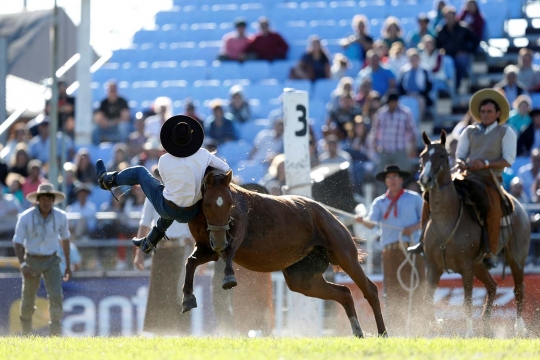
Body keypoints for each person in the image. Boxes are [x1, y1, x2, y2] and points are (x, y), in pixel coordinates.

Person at [409, 89, 517, 270]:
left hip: (490, 179)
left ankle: (489, 251)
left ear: (498, 113)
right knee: (430, 196)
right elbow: (460, 155)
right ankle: (422, 240)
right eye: (483, 111)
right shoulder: (469, 131)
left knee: (493, 207)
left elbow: (508, 159)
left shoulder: (505, 132)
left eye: (489, 111)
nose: (485, 115)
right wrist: (462, 163)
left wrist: (484, 163)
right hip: (466, 175)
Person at [95, 115, 231, 255]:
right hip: (191, 212)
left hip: (168, 209)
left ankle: (107, 180)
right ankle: (150, 240)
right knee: (175, 198)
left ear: (172, 139)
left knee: (140, 172)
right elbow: (226, 169)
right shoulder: (204, 154)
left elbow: (169, 186)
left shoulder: (164, 160)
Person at [355, 164, 424, 336]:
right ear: (385, 181)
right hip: (391, 252)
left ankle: (419, 328)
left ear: (401, 179)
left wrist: (413, 227)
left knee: (417, 287)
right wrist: (362, 221)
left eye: (395, 177)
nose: (392, 180)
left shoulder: (414, 198)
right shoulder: (380, 202)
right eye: (389, 178)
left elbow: (427, 219)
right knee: (393, 291)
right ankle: (397, 329)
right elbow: (372, 223)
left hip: (413, 249)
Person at [133, 166, 195, 335]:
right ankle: (161, 330)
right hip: (160, 249)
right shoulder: (152, 197)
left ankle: (183, 332)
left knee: (181, 291)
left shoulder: (185, 196)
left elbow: (193, 222)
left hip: (182, 248)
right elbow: (145, 224)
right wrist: (139, 254)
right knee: (159, 290)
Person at [12, 183, 71, 336]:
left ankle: (55, 333)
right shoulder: (25, 217)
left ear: (53, 200)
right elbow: (17, 242)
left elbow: (65, 240)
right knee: (28, 298)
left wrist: (68, 265)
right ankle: (26, 333)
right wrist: (23, 264)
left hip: (52, 259)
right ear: (38, 200)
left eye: (48, 199)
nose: (46, 202)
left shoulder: (61, 216)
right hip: (31, 260)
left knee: (56, 295)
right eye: (43, 199)